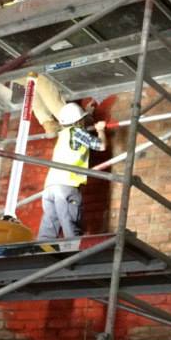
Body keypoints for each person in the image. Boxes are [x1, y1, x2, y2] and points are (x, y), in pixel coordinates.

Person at [38, 101, 106, 240]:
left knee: (48, 230)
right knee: (71, 229)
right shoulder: (77, 132)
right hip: (67, 186)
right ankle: (76, 256)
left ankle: (41, 256)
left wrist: (88, 114)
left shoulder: (63, 134)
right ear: (79, 120)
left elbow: (80, 131)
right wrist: (100, 130)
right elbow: (101, 146)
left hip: (50, 188)